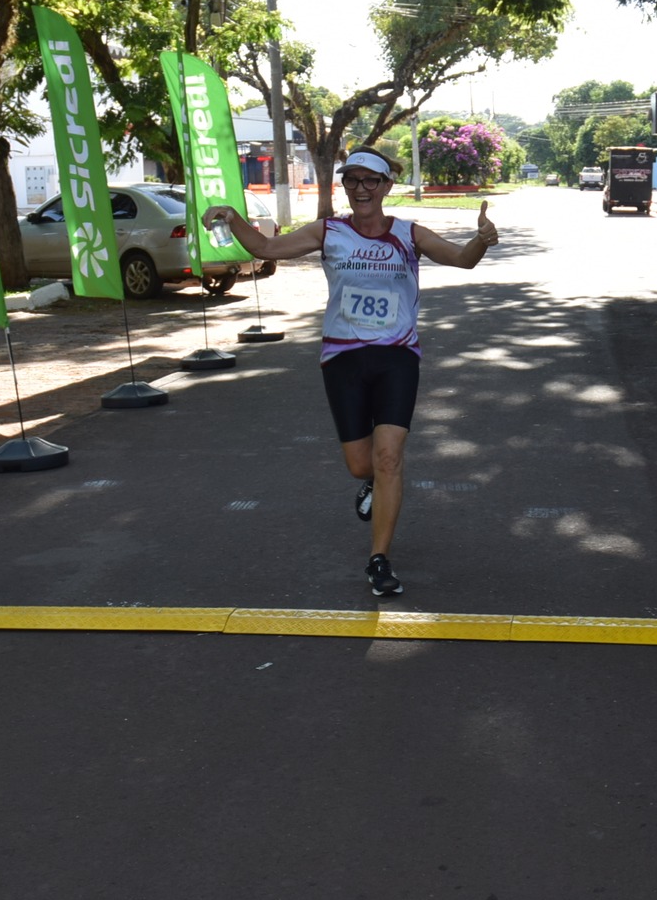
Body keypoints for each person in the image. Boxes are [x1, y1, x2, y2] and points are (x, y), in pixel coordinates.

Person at [202, 148, 498, 598]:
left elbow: (462, 259)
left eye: (371, 180)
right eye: (352, 180)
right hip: (342, 359)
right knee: (362, 465)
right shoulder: (329, 232)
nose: (361, 188)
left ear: (386, 186)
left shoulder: (408, 234)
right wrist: (230, 216)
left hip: (397, 357)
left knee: (388, 459)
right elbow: (265, 247)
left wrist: (482, 239)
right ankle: (369, 486)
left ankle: (379, 559)